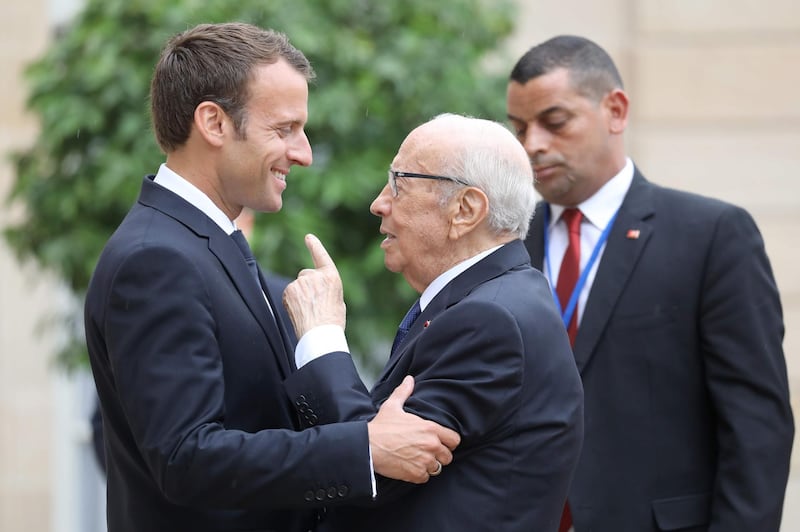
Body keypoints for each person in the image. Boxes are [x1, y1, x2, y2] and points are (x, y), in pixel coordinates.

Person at [84, 22, 459, 532]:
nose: (303, 153)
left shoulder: (205, 242)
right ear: (214, 123)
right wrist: (363, 448)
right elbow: (185, 457)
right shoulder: (155, 259)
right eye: (284, 130)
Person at [506, 35, 794, 532]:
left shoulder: (711, 236)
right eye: (519, 128)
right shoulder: (503, 242)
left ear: (615, 110)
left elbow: (756, 428)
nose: (533, 144)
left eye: (553, 122)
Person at [281, 113, 584, 531]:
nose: (378, 203)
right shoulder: (492, 299)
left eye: (399, 185)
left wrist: (322, 337)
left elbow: (374, 467)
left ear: (466, 209)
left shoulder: (488, 320)